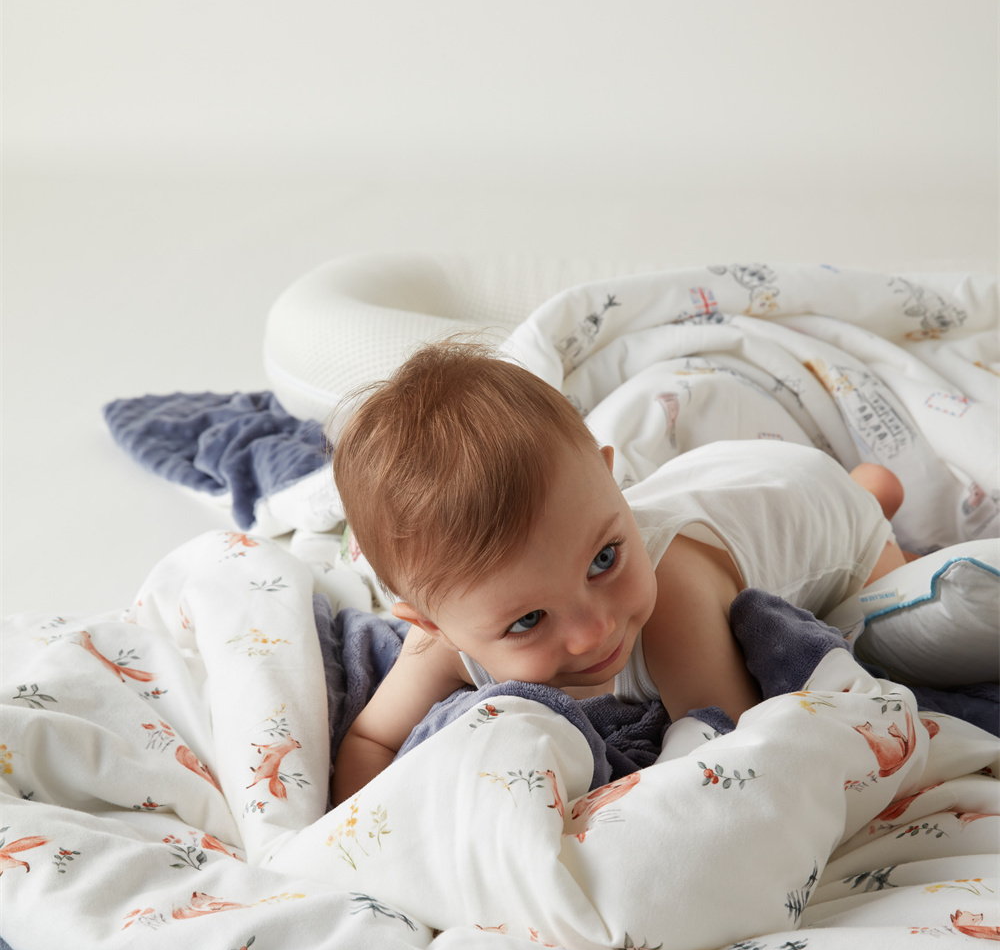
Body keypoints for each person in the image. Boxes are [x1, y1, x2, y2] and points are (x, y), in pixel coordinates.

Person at [330, 340, 908, 803]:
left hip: (811, 506)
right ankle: (871, 485)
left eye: (603, 560)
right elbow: (371, 739)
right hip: (715, 488)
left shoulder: (674, 599)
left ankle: (870, 496)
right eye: (529, 620)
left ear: (612, 481)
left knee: (891, 601)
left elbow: (726, 757)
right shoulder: (443, 642)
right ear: (432, 626)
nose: (595, 631)